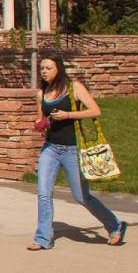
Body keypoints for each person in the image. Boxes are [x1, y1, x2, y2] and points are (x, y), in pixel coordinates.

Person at [31, 50, 126, 250]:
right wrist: (40, 124)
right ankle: (42, 239)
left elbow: (95, 110)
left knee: (81, 196)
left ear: (59, 69)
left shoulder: (74, 88)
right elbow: (42, 119)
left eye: (49, 68)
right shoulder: (42, 94)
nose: (44, 72)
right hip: (50, 149)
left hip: (73, 149)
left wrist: (68, 115)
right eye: (42, 68)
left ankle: (114, 225)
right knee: (43, 193)